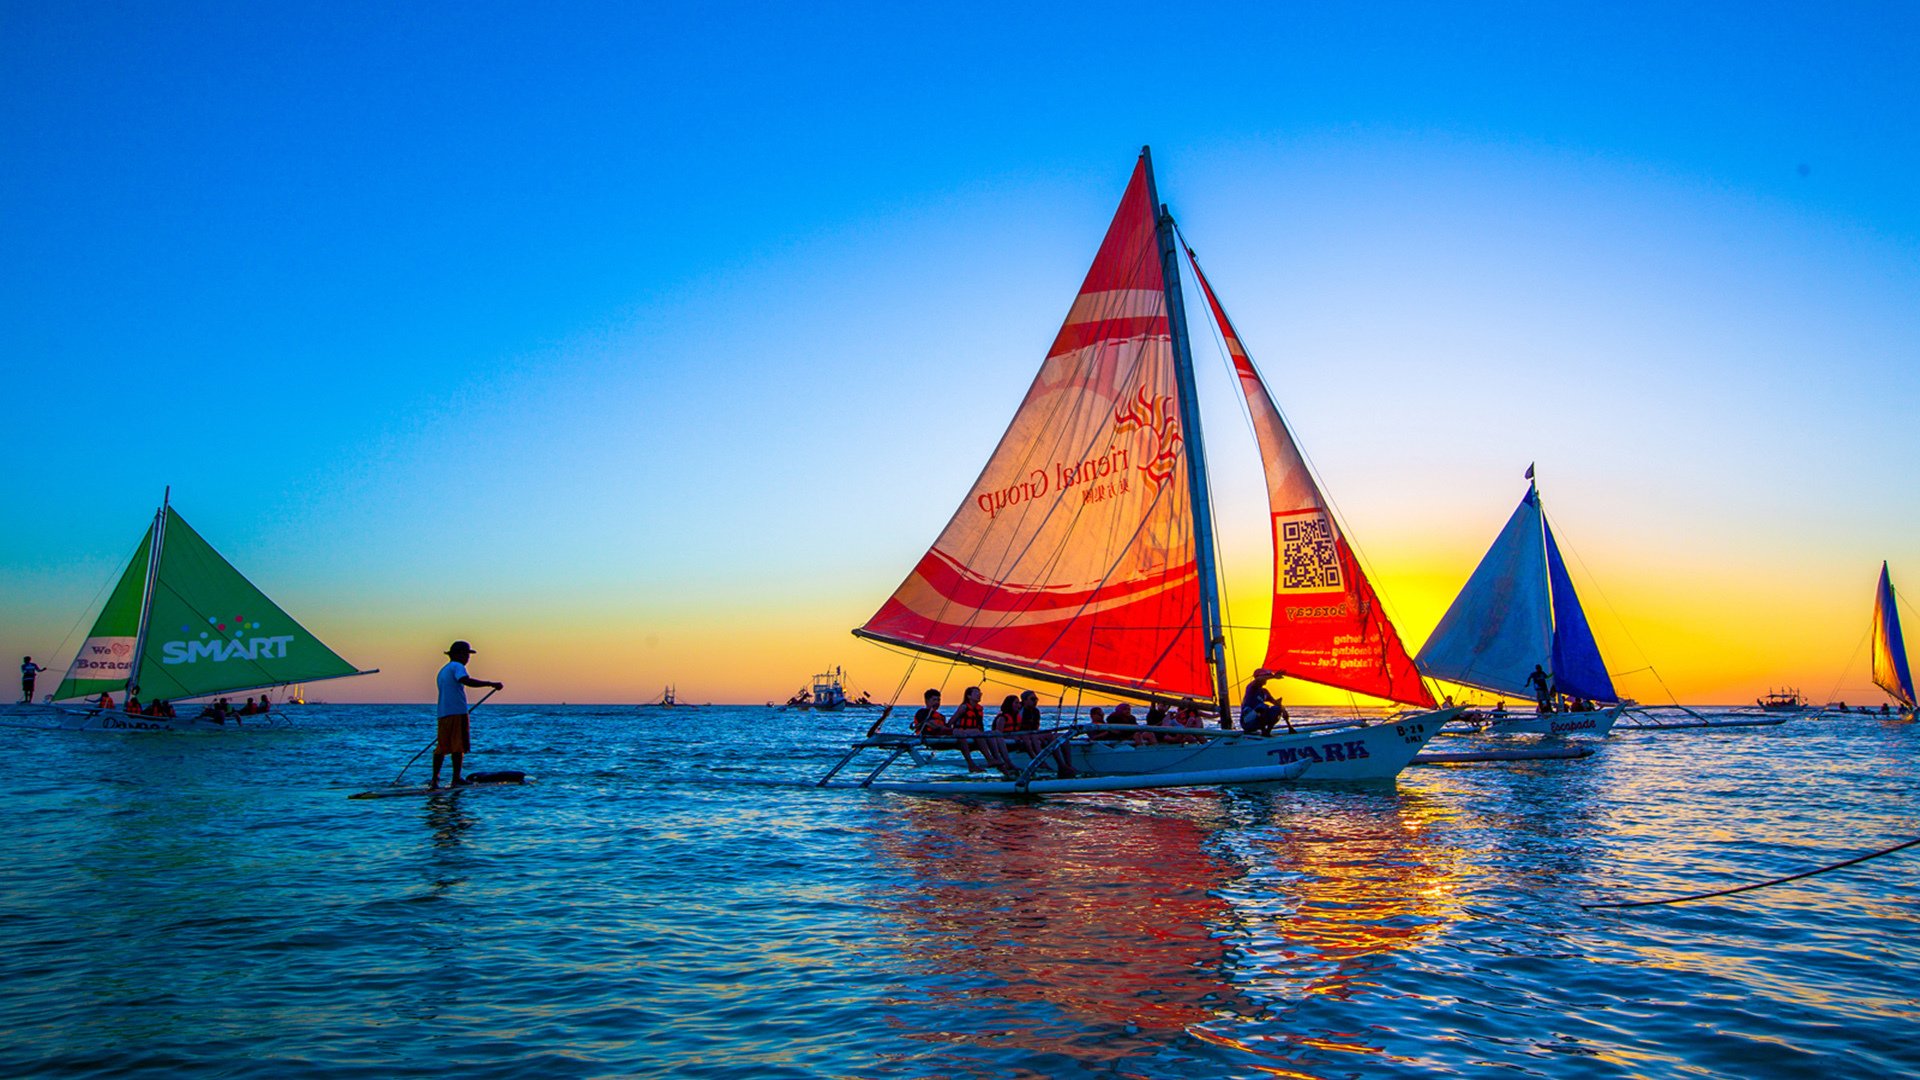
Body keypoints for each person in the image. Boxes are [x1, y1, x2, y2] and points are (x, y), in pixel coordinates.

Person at [434, 640, 503, 790]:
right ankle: (456, 778)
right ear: (458, 654)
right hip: (457, 712)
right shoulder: (457, 667)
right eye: (466, 654)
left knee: (442, 747)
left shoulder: (443, 670)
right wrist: (490, 684)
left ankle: (435, 780)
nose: (468, 658)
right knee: (459, 747)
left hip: (443, 713)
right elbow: (466, 681)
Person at [1240, 669, 1290, 735]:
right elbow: (1258, 679)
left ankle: (1267, 732)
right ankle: (1263, 730)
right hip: (1247, 721)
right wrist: (1274, 676)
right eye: (1266, 676)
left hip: (1258, 721)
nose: (1266, 679)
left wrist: (1283, 710)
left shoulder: (1264, 692)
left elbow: (1276, 703)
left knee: (1276, 709)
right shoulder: (1251, 688)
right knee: (1262, 706)